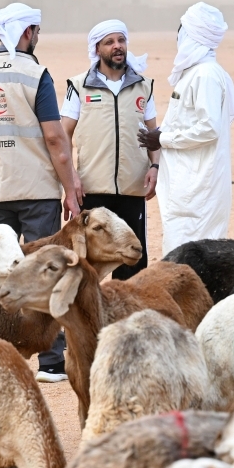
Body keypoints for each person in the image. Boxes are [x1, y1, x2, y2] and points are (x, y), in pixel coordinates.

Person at [0, 2, 82, 382]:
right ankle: (50, 361)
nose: (37, 39)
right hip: (38, 190)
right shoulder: (36, 74)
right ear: (27, 33)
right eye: (36, 32)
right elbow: (54, 137)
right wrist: (71, 190)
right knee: (45, 271)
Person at [138, 2, 234, 255]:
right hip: (188, 188)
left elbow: (209, 128)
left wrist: (163, 139)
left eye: (181, 30)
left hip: (197, 190)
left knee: (188, 259)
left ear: (191, 35)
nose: (178, 37)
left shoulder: (205, 75)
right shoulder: (197, 73)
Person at [62, 19, 157, 280]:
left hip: (131, 190)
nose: (117, 46)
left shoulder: (144, 86)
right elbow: (63, 136)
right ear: (97, 48)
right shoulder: (78, 86)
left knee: (132, 263)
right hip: (91, 193)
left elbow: (153, 136)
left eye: (121, 40)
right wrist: (71, 179)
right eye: (110, 42)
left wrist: (155, 166)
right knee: (86, 270)